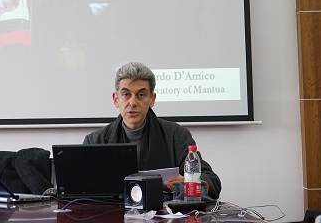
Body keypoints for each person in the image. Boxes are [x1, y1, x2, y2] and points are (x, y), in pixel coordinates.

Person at [83, 61, 222, 199]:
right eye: (126, 94)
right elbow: (80, 191)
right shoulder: (95, 140)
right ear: (116, 99)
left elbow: (212, 181)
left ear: (152, 99)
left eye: (141, 95)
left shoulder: (176, 135)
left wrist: (189, 184)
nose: (133, 102)